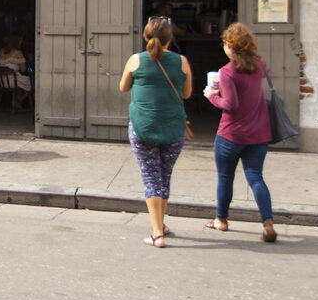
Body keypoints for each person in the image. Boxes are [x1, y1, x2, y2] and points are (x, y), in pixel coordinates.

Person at [119, 15, 192, 248]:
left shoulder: (135, 60)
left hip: (143, 127)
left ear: (146, 35)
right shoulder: (181, 61)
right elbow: (187, 94)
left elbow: (123, 88)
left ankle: (157, 233)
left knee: (151, 177)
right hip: (173, 127)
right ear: (171, 37)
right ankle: (160, 224)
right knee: (164, 175)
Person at [202, 23, 278, 243]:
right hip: (259, 134)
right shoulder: (260, 64)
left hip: (231, 134)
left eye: (225, 43)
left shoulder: (227, 71)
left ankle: (221, 220)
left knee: (225, 177)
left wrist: (211, 95)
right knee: (256, 177)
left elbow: (231, 104)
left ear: (230, 46)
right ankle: (268, 223)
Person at [0, 33, 32, 109]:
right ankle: (18, 100)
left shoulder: (1, 51)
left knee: (22, 80)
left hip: (2, 82)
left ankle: (16, 100)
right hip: (12, 82)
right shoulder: (18, 53)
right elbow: (23, 69)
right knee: (30, 83)